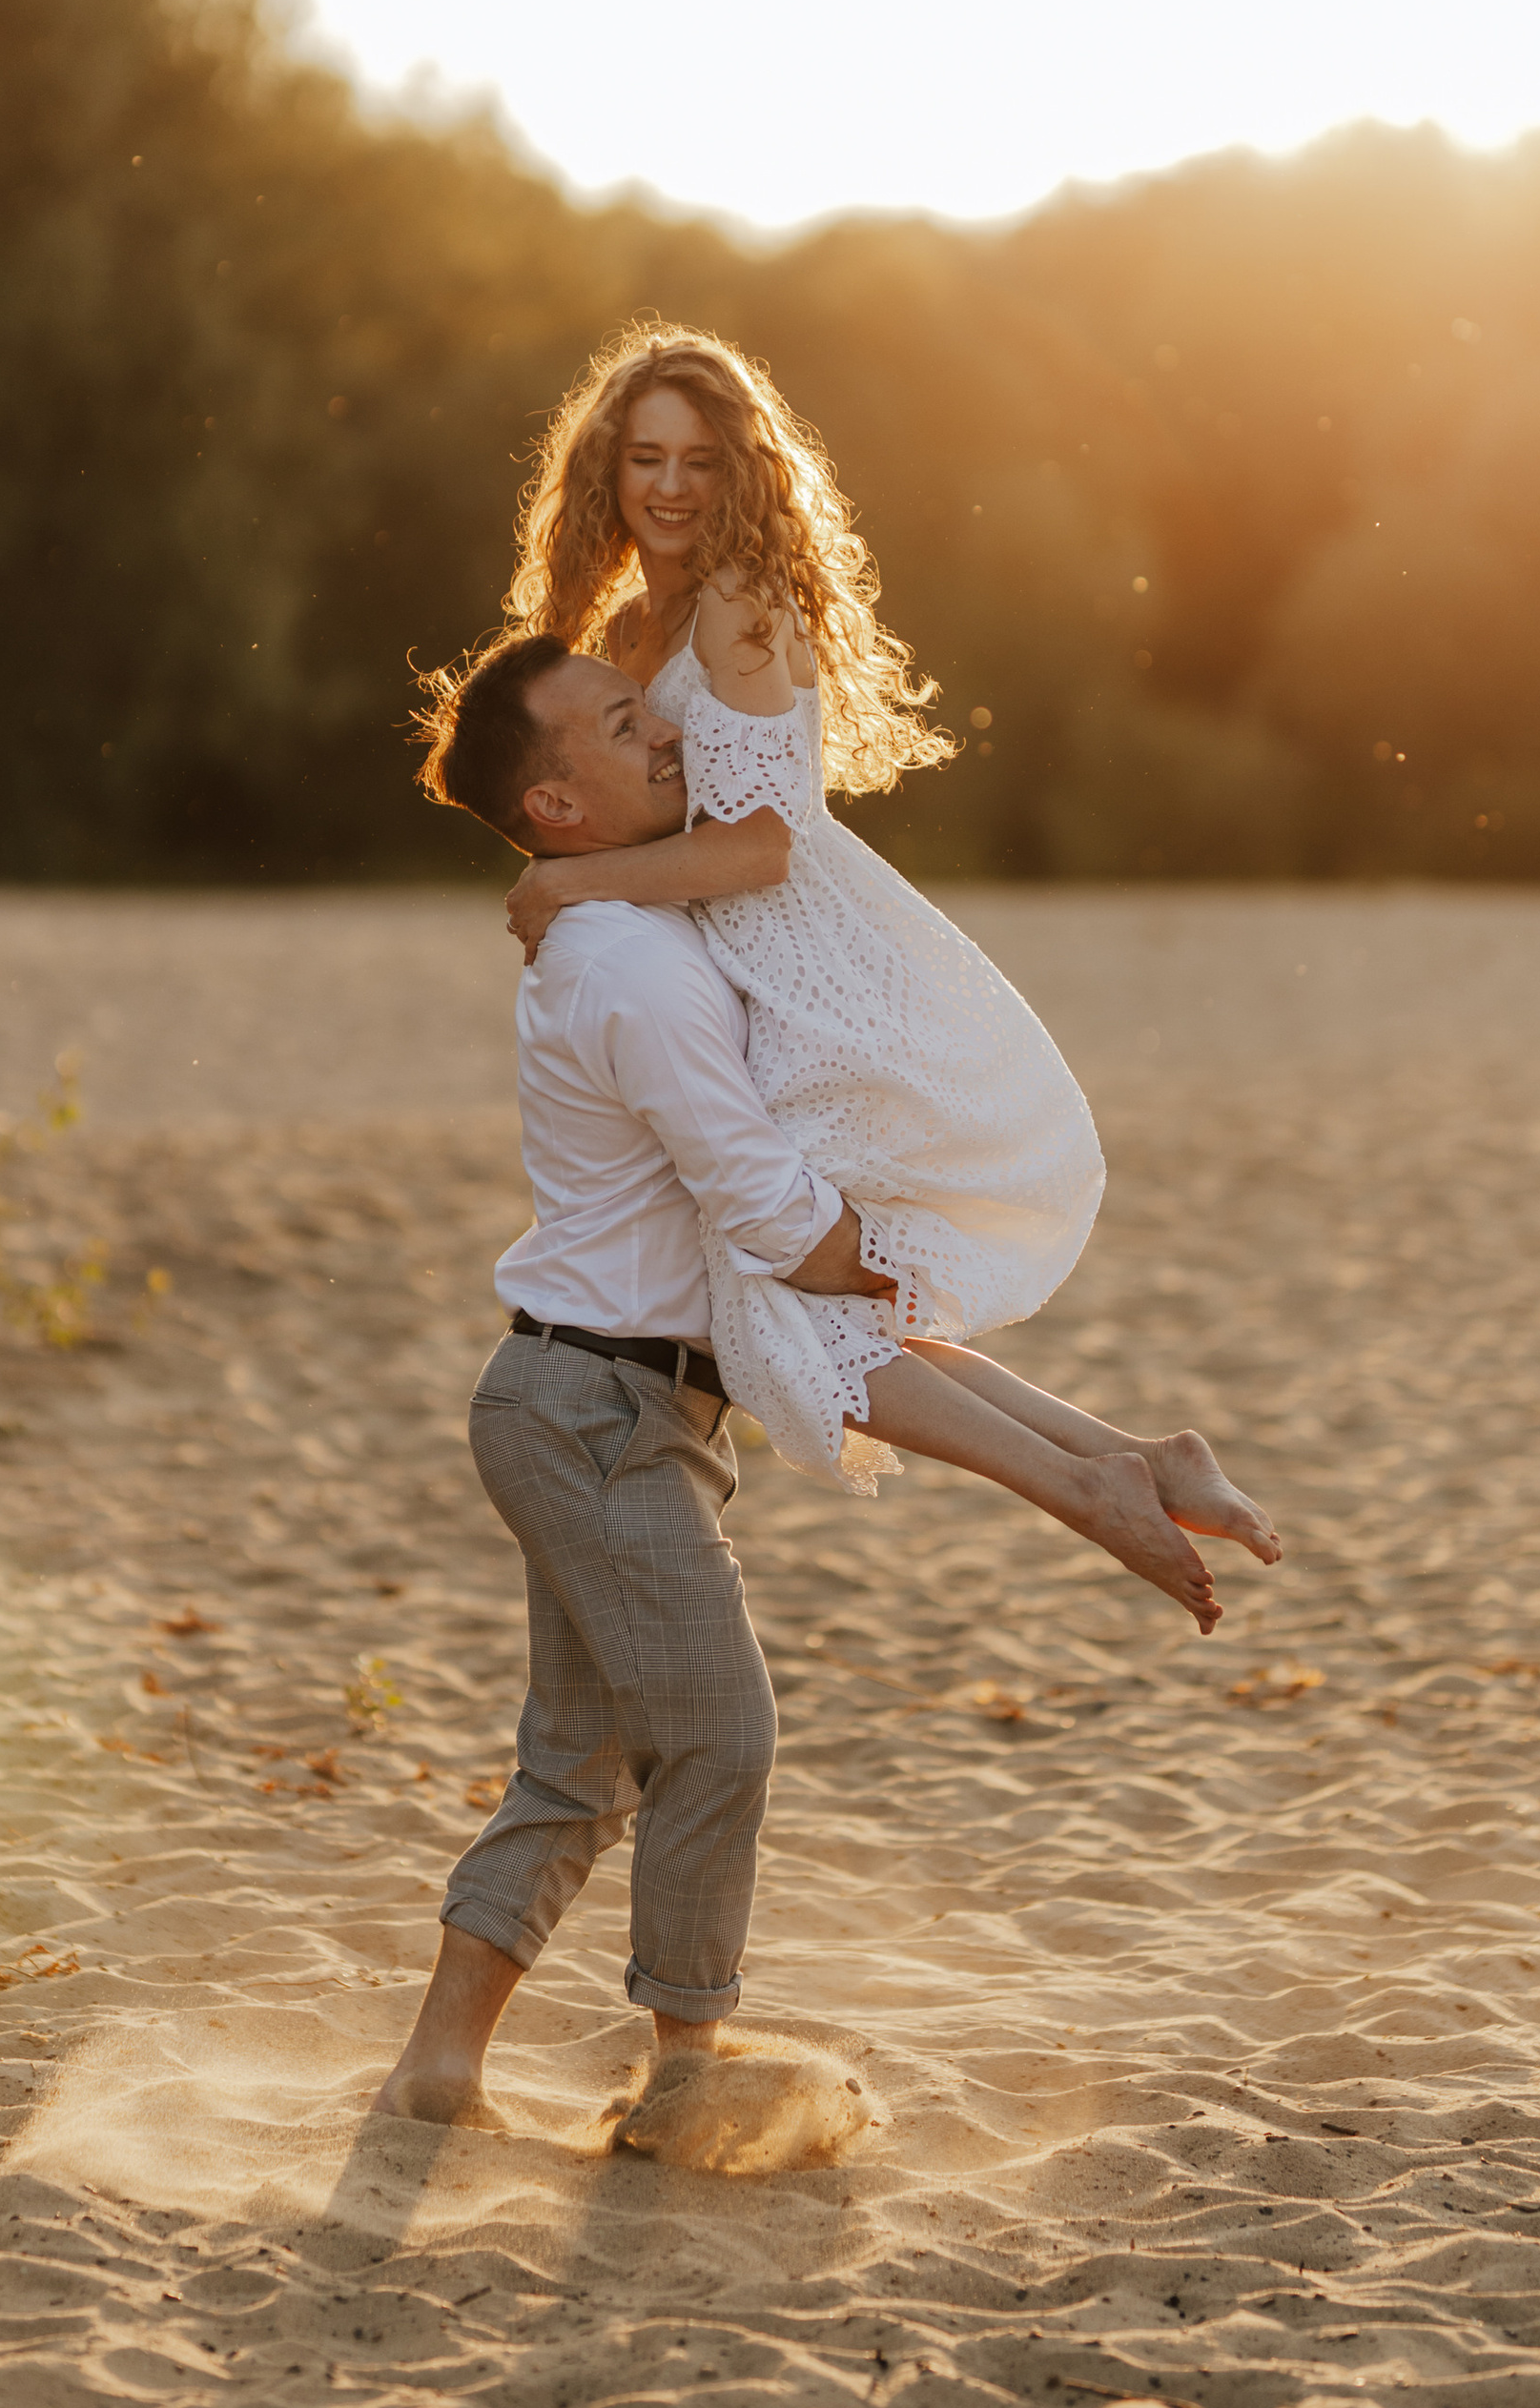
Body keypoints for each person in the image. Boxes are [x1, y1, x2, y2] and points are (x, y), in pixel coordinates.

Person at [374, 635, 1241, 2132]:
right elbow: (765, 1210)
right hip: (595, 1411)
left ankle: (438, 2071)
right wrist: (898, 1264)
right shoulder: (633, 968)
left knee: (577, 1766)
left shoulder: (639, 924)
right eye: (622, 726)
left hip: (601, 1403)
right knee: (720, 1733)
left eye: (648, 711)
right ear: (557, 804)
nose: (661, 738)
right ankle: (685, 2078)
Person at [492, 317, 1280, 1571]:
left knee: (773, 1305)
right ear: (607, 471)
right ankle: (1132, 1461)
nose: (673, 488)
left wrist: (567, 888)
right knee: (806, 1300)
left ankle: (1095, 1488)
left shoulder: (745, 605)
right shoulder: (638, 629)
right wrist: (576, 875)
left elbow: (759, 847)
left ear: (743, 471)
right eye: (646, 459)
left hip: (807, 966)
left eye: (702, 461)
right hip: (735, 971)